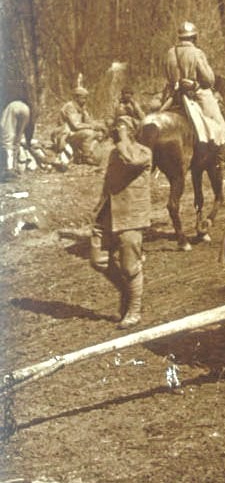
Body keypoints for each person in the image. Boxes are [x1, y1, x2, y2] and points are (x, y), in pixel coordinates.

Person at [90, 116, 152, 329]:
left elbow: (131, 161)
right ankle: (127, 292)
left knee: (129, 267)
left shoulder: (143, 152)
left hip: (131, 215)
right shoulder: (115, 152)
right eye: (116, 128)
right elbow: (108, 182)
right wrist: (99, 209)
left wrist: (123, 138)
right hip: (109, 213)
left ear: (132, 132)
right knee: (98, 259)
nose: (116, 131)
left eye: (121, 128)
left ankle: (134, 310)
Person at [162, 21, 225, 150]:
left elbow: (166, 73)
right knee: (216, 119)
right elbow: (209, 80)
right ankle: (222, 151)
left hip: (174, 94)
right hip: (195, 93)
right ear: (194, 37)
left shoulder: (170, 52)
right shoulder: (197, 53)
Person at [57, 86, 107, 165]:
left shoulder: (82, 107)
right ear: (76, 97)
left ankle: (87, 153)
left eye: (86, 98)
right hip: (66, 135)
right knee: (88, 133)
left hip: (75, 134)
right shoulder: (70, 106)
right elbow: (76, 126)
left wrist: (100, 126)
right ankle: (86, 156)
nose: (85, 100)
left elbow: (89, 121)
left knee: (99, 133)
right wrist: (92, 127)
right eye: (83, 98)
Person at [1, 100, 31, 179]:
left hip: (13, 107)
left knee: (8, 140)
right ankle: (14, 167)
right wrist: (29, 140)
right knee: (17, 139)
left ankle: (10, 168)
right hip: (26, 108)